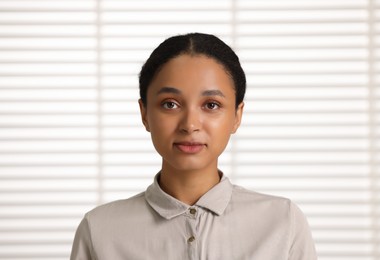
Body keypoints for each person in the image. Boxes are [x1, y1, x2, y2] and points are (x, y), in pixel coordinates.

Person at [70, 32, 317, 260]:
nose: (189, 125)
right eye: (170, 104)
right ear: (144, 113)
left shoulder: (283, 223)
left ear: (237, 115)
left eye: (211, 105)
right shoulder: (99, 230)